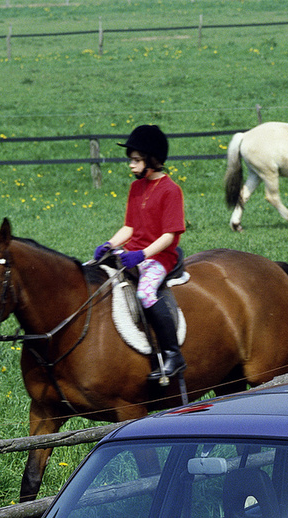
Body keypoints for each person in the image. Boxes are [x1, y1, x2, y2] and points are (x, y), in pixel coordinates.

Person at [94, 124, 188, 381]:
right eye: (131, 160)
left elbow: (170, 235)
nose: (131, 165)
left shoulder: (171, 191)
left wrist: (143, 254)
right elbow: (130, 227)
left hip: (159, 257)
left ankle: (172, 354)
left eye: (136, 160)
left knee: (145, 293)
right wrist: (110, 245)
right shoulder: (136, 189)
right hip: (132, 251)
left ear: (153, 160)